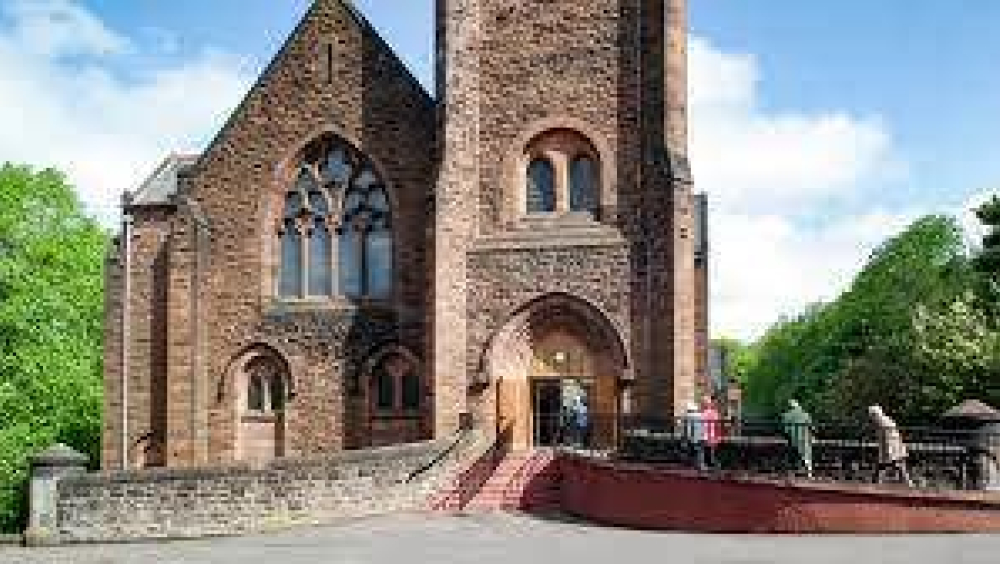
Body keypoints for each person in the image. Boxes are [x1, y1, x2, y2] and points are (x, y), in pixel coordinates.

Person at [868, 405, 914, 486]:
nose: (871, 417)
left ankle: (908, 483)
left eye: (871, 414)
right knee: (888, 465)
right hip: (891, 446)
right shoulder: (883, 421)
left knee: (894, 465)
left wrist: (888, 450)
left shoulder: (883, 422)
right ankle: (876, 482)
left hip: (892, 447)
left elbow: (888, 438)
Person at [782, 399, 814, 479]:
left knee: (793, 453)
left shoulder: (786, 416)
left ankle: (793, 471)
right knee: (806, 453)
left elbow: (785, 430)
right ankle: (809, 472)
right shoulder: (805, 414)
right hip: (804, 438)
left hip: (793, 439)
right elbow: (811, 427)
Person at [682, 401, 707, 470]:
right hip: (701, 436)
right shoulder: (700, 415)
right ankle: (701, 465)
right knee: (700, 451)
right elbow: (704, 426)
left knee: (692, 451)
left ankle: (694, 465)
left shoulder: (688, 416)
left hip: (694, 437)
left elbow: (688, 428)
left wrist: (687, 437)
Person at [700, 394, 722, 470]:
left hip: (709, 434)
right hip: (709, 434)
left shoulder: (709, 413)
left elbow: (716, 424)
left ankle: (709, 464)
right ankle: (709, 464)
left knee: (709, 450)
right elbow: (715, 424)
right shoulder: (711, 412)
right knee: (709, 450)